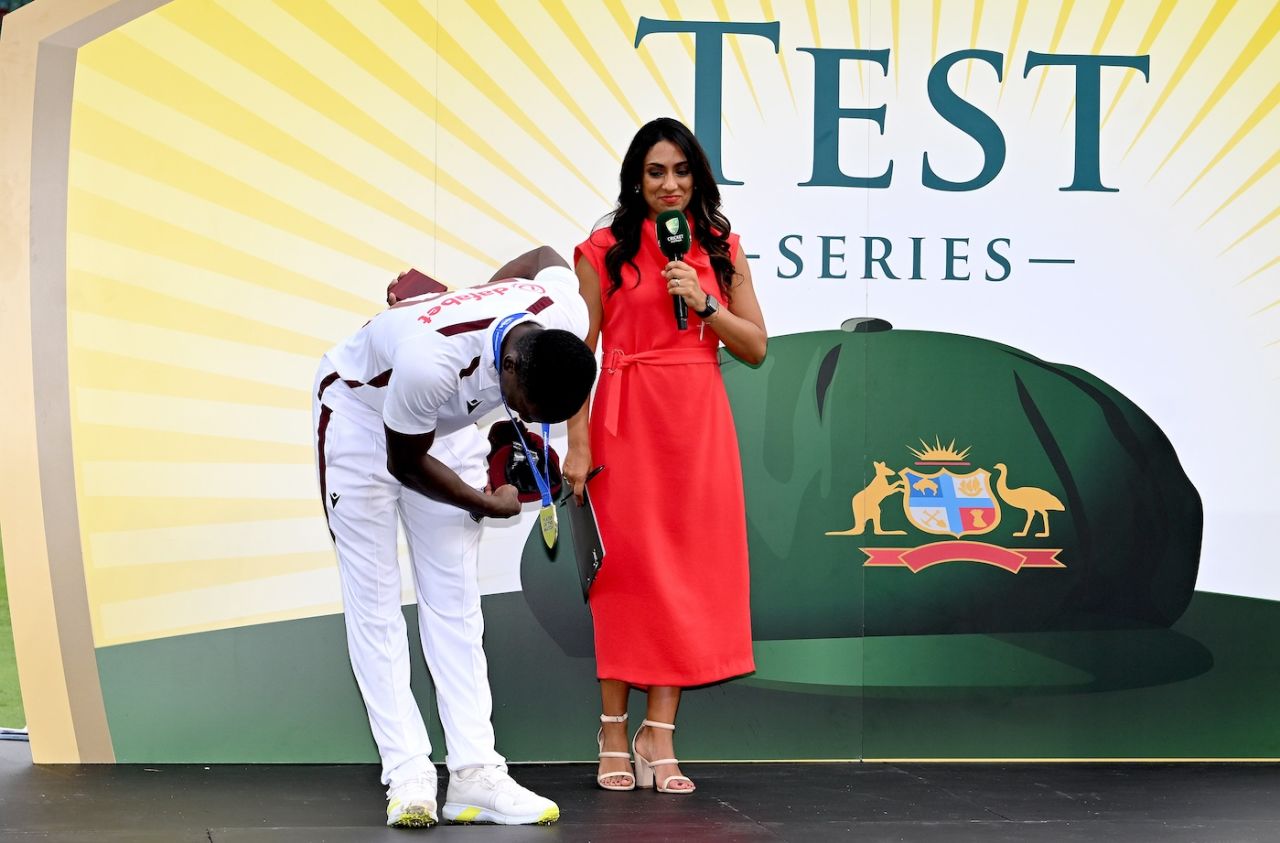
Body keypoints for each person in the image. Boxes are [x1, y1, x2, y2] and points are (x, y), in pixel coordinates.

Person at [314, 246, 596, 827]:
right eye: (528, 408)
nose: (531, 420)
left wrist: (473, 295)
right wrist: (485, 503)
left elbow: (544, 255)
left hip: (443, 423)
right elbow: (405, 462)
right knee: (375, 600)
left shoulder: (564, 314)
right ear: (509, 367)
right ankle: (408, 774)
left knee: (456, 601)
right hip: (361, 416)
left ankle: (475, 776)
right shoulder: (431, 360)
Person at [564, 118, 768, 794]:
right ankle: (612, 730)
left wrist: (704, 302)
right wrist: (578, 441)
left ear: (697, 178)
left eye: (681, 171)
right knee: (627, 579)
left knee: (686, 576)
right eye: (656, 172)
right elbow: (578, 357)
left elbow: (755, 345)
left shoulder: (721, 246)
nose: (670, 184)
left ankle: (660, 734)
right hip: (625, 422)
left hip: (697, 425)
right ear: (636, 180)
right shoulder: (600, 252)